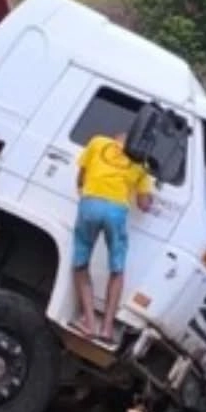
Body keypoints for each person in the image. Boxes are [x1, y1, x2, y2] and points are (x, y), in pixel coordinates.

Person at [72, 131, 154, 342]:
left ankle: (89, 323)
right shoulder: (141, 163)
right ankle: (107, 329)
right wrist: (151, 196)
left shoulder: (97, 141)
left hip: (90, 204)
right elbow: (143, 205)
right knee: (116, 270)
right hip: (116, 212)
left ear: (116, 139)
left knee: (80, 264)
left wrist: (86, 192)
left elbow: (81, 177)